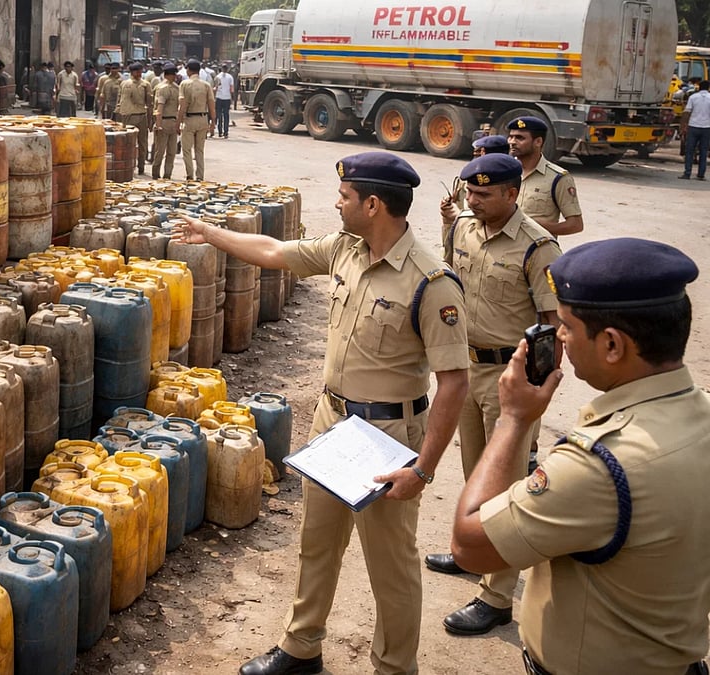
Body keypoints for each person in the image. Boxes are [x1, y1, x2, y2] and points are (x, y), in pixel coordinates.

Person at [175, 152, 470, 675]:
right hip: (334, 423)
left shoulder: (431, 282)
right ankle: (301, 646)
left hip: (389, 439)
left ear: (373, 205)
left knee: (391, 568)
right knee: (317, 544)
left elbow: (454, 382)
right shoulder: (343, 249)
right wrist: (210, 232)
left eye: (345, 196)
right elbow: (272, 251)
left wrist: (422, 469)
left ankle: (395, 667)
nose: (337, 203)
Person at [451, 238, 710, 675]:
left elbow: (470, 547)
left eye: (568, 326)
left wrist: (513, 420)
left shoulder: (599, 466)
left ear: (612, 345)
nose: (560, 337)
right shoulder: (700, 414)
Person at [423, 154, 563, 636]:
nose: (473, 200)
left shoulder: (538, 246)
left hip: (510, 378)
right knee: (475, 474)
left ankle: (497, 596)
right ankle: (475, 554)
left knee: (505, 486)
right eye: (470, 191)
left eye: (484, 193)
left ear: (512, 193)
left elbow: (553, 324)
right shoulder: (463, 227)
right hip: (465, 369)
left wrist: (537, 390)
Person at [506, 116, 584, 236]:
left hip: (536, 246)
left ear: (538, 142)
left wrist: (534, 227)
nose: (512, 142)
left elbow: (575, 225)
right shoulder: (505, 172)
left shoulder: (558, 178)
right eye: (510, 137)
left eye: (519, 138)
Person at [440, 134, 513, 226]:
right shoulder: (513, 176)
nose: (471, 200)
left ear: (483, 152)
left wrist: (456, 216)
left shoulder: (475, 175)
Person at [178, 59, 215, 181]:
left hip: (189, 119)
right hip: (203, 119)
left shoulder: (184, 84)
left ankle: (190, 175)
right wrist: (213, 122)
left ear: (188, 70)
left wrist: (178, 122)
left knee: (187, 150)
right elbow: (211, 105)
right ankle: (200, 176)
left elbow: (182, 105)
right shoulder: (206, 85)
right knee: (199, 150)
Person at [118, 62, 152, 176]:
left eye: (140, 71)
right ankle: (128, 166)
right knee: (128, 143)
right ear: (132, 72)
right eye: (137, 71)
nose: (139, 73)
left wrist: (150, 120)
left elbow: (149, 103)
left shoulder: (145, 84)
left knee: (142, 143)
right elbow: (120, 100)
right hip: (127, 116)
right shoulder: (124, 83)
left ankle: (141, 167)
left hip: (141, 116)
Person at [152, 61, 180, 179]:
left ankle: (167, 175)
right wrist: (158, 125)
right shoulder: (162, 88)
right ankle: (156, 173)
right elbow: (159, 108)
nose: (174, 76)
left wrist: (179, 123)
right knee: (160, 151)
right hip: (163, 121)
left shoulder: (177, 88)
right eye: (172, 74)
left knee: (172, 152)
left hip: (173, 122)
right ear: (167, 74)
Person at [680, 79, 710, 180]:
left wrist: (683, 126)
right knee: (703, 151)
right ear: (708, 88)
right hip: (706, 128)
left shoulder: (693, 97)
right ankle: (701, 175)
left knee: (689, 150)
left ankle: (687, 173)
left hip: (693, 127)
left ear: (699, 87)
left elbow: (687, 112)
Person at [213, 66, 235, 139]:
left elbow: (215, 87)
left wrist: (214, 97)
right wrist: (232, 98)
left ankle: (220, 132)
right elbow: (231, 89)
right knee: (226, 115)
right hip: (227, 98)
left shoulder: (217, 77)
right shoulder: (230, 77)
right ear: (227, 69)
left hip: (219, 97)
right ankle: (226, 132)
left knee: (219, 115)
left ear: (221, 69)